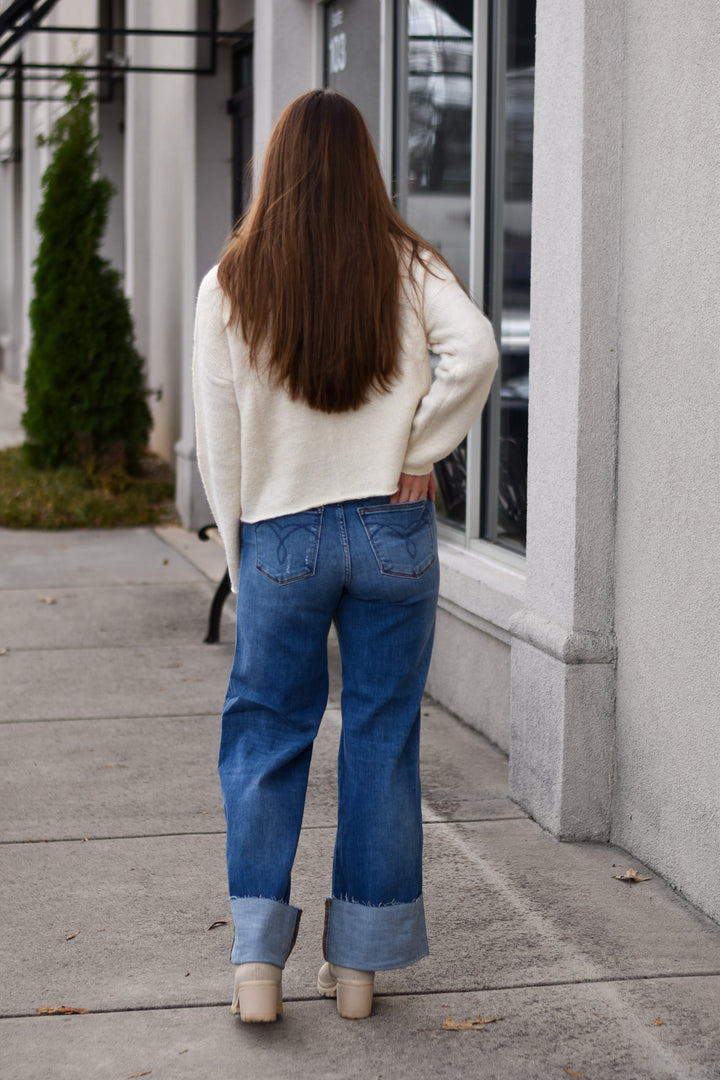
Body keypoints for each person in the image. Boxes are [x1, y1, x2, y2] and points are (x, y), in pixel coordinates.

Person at [192, 88, 498, 1023]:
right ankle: (359, 974)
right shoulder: (406, 262)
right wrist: (417, 452)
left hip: (282, 533)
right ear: (367, 167)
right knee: (381, 739)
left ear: (273, 166)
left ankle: (256, 970)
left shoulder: (232, 280)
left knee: (265, 737)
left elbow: (220, 443)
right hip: (389, 529)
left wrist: (245, 566)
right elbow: (478, 350)